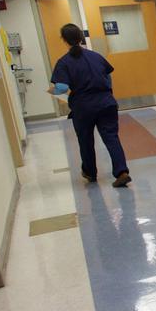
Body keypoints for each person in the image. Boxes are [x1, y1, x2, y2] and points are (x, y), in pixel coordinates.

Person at [51, 23, 132, 188]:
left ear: (64, 40)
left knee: (85, 140)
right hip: (106, 103)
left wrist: (51, 90)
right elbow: (108, 77)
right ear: (81, 37)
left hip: (83, 107)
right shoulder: (96, 56)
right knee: (111, 137)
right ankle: (122, 172)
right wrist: (107, 94)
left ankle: (90, 172)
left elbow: (62, 88)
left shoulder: (64, 62)